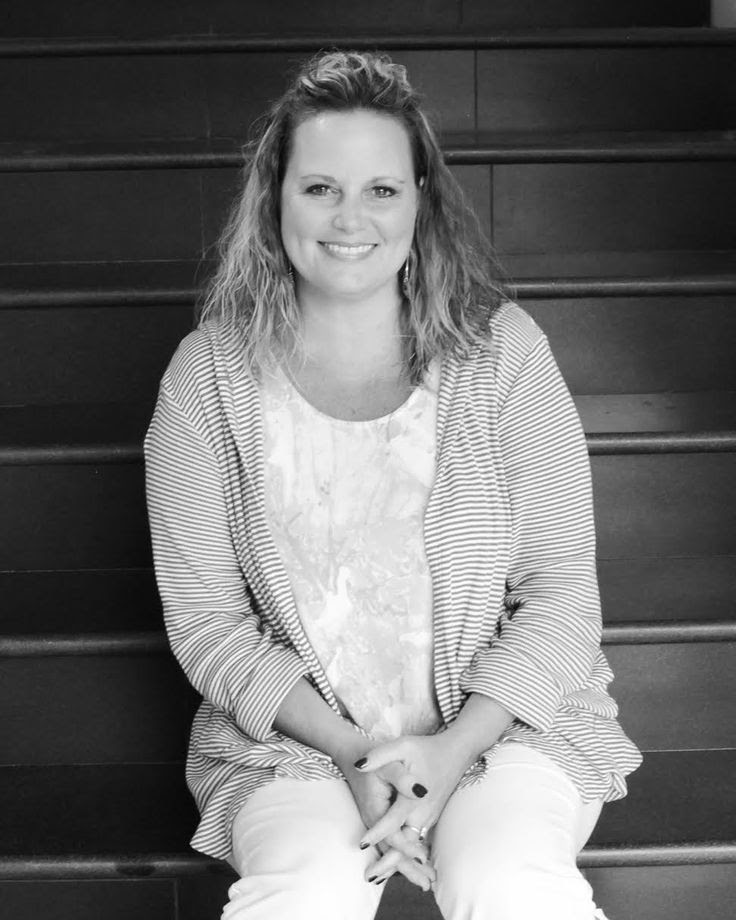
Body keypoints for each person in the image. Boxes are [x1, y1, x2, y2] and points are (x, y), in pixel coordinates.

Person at [144, 50, 642, 920]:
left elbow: (561, 594)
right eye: (320, 188)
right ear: (275, 199)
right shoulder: (207, 377)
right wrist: (348, 750)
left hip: (505, 731)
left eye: (381, 189)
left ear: (420, 200)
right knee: (302, 893)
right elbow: (206, 623)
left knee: (511, 885)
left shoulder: (504, 354)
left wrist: (450, 753)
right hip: (295, 746)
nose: (351, 219)